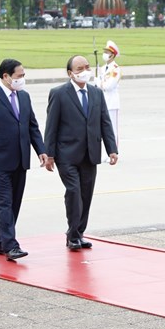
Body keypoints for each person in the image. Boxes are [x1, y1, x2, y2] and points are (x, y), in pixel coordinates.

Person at [0, 58, 48, 262]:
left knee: (14, 203)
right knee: (4, 203)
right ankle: (10, 245)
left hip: (20, 160)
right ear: (6, 76)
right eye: (19, 76)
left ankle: (0, 242)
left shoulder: (24, 97)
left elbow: (31, 125)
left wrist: (40, 149)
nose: (22, 79)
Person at [45, 56, 118, 251]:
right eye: (79, 68)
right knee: (74, 192)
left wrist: (112, 148)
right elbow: (51, 126)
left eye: (86, 67)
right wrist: (49, 154)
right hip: (66, 154)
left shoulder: (96, 93)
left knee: (86, 195)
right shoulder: (59, 93)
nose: (84, 70)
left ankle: (78, 233)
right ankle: (73, 233)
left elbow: (105, 122)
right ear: (70, 73)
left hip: (90, 154)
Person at [97, 40, 122, 142]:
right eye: (105, 52)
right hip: (102, 101)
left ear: (112, 55)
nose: (105, 54)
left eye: (107, 52)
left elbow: (108, 86)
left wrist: (99, 82)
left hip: (111, 102)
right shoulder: (102, 68)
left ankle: (114, 153)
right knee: (103, 129)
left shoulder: (115, 69)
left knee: (112, 129)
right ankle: (106, 153)